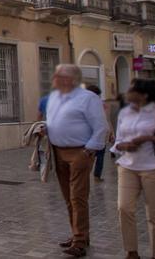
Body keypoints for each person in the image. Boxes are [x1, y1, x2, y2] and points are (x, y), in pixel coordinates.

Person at [44, 64, 108, 257]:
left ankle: (80, 241)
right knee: (67, 197)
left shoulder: (88, 98)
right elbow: (54, 121)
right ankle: (78, 234)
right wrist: (45, 129)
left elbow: (100, 126)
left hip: (79, 152)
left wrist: (89, 150)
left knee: (77, 197)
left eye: (59, 75)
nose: (54, 77)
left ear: (71, 79)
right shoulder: (55, 97)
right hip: (57, 151)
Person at [112, 78, 155, 259]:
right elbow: (117, 140)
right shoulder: (125, 112)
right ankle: (131, 251)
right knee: (124, 208)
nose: (127, 92)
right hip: (127, 165)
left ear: (144, 94)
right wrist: (123, 146)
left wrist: (149, 138)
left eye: (131, 89)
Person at [85, 85, 112, 181]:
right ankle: (97, 175)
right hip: (100, 134)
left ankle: (85, 176)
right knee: (100, 155)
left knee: (88, 156)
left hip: (88, 135)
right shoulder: (101, 104)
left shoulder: (83, 103)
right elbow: (106, 119)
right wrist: (110, 132)